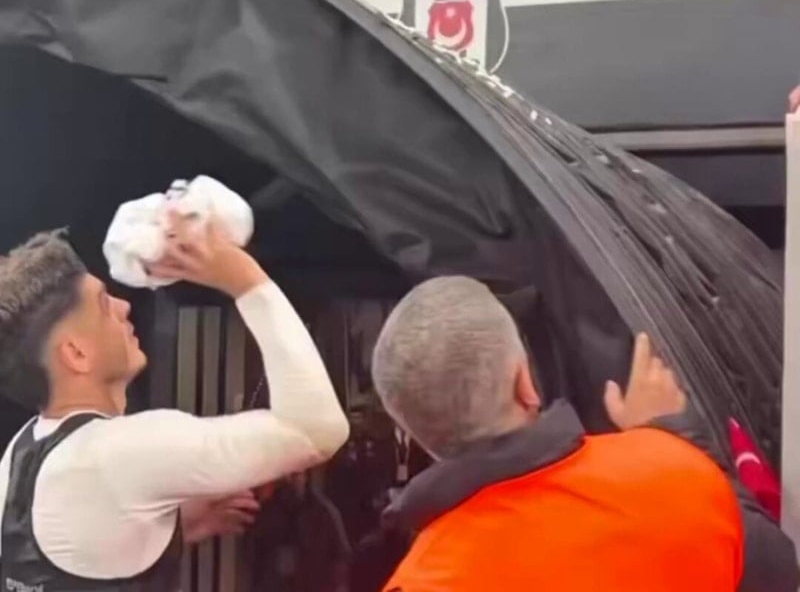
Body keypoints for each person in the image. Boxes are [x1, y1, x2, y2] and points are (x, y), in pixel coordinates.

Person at [371, 276, 799, 592]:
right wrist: (673, 441)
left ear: (412, 430)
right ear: (525, 384)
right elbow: (778, 570)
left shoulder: (420, 582)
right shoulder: (674, 477)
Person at [0, 221, 349, 590]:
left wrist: (180, 526)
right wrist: (245, 279)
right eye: (104, 305)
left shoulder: (22, 451)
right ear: (76, 354)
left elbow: (79, 545)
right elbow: (316, 431)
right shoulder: (120, 450)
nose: (124, 306)